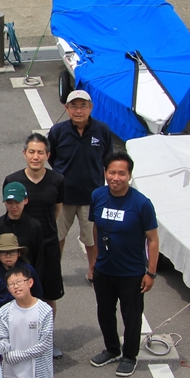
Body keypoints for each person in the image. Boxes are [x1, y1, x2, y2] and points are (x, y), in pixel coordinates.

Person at [88, 152, 159, 378]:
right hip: (104, 270)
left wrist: (151, 273)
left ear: (129, 176)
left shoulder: (142, 204)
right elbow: (96, 227)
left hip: (131, 273)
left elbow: (153, 240)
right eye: (112, 172)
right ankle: (111, 349)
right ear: (105, 172)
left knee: (132, 317)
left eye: (121, 173)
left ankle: (129, 356)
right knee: (105, 312)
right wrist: (95, 260)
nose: (115, 178)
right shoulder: (98, 195)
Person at [4, 133, 66, 355]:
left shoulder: (57, 180)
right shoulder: (13, 180)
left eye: (40, 152)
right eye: (31, 151)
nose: (36, 156)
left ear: (48, 155)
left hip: (48, 245)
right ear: (24, 153)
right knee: (18, 293)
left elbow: (56, 210)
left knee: (48, 296)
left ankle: (46, 340)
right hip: (22, 249)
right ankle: (19, 340)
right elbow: (11, 211)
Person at [49, 89, 115, 277]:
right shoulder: (57, 131)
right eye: (74, 106)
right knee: (58, 236)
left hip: (92, 196)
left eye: (83, 106)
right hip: (63, 197)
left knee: (92, 239)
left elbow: (108, 160)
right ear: (66, 108)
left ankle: (93, 270)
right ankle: (54, 272)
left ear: (90, 107)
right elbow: (51, 157)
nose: (78, 111)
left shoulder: (102, 130)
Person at [0, 182, 46, 306]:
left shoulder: (34, 226)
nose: (14, 206)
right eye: (9, 202)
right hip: (2, 279)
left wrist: (35, 282)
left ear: (25, 201)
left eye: (17, 202)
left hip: (25, 279)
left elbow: (39, 258)